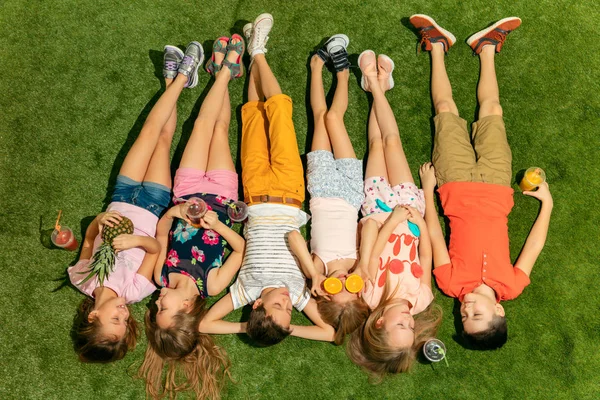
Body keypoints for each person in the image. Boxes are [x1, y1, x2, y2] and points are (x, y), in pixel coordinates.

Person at [409, 14, 553, 350]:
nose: (466, 310)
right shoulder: (513, 285)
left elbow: (433, 232)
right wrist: (547, 204)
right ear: (499, 309)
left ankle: (437, 47)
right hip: (498, 185)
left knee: (445, 108)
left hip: (454, 184)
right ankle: (486, 47)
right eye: (476, 315)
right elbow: (533, 247)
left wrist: (428, 191)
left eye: (463, 318)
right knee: (492, 111)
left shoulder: (449, 283)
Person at [198, 13, 334, 346]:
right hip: (289, 192)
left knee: (253, 116)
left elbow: (205, 325)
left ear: (257, 305)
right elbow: (330, 333)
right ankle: (257, 51)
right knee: (279, 113)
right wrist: (286, 327)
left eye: (278, 306)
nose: (287, 300)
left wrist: (246, 327)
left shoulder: (245, 291)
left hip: (255, 191)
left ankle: (254, 52)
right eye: (290, 310)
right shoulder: (300, 293)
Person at [67, 42, 204, 363]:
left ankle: (178, 80)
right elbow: (156, 248)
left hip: (121, 195)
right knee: (162, 143)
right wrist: (136, 240)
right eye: (126, 322)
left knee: (148, 133)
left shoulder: (80, 278)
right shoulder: (136, 291)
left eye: (115, 319)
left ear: (92, 316)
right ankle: (181, 78)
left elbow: (89, 238)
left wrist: (100, 220)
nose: (124, 314)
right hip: (153, 205)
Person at [137, 35, 245, 400]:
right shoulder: (210, 286)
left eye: (155, 309)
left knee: (200, 125)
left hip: (185, 192)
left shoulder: (160, 275)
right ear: (185, 308)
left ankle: (224, 73)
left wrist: (176, 210)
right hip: (223, 195)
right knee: (218, 131)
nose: (155, 302)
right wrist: (216, 226)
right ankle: (224, 72)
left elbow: (163, 230)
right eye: (162, 308)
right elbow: (241, 250)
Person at [346, 50, 442, 376]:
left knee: (375, 145)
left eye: (401, 326)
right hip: (410, 211)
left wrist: (393, 221)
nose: (409, 322)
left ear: (380, 323)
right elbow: (425, 256)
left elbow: (370, 252)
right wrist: (418, 223)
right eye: (411, 329)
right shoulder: (422, 299)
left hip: (379, 212)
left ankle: (378, 87)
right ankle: (375, 85)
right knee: (393, 143)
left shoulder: (369, 295)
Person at [300, 35, 369, 345]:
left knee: (320, 119)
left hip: (323, 187)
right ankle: (342, 72)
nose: (342, 284)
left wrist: (314, 279)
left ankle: (316, 67)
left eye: (334, 291)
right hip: (353, 192)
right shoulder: (358, 264)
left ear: (324, 295)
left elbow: (299, 248)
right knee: (333, 118)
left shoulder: (319, 267)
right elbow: (368, 228)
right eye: (351, 290)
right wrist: (362, 267)